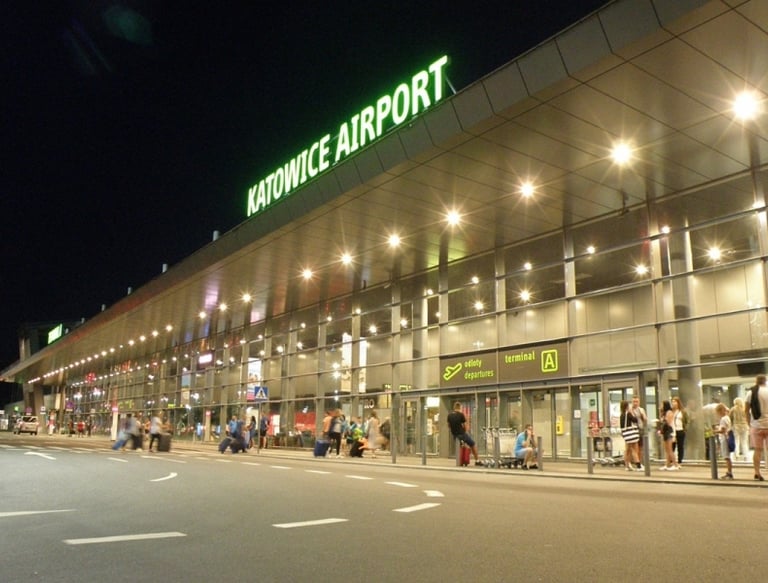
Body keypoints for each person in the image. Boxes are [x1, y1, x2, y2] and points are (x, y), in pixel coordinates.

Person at [745, 374, 768, 481]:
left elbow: (746, 410)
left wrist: (749, 423)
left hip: (756, 425)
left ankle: (757, 472)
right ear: (765, 381)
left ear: (756, 381)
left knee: (757, 450)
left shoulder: (751, 392)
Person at [619, 400, 641, 471]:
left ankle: (627, 465)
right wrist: (632, 413)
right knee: (633, 449)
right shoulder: (628, 413)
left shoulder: (622, 415)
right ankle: (638, 466)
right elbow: (635, 420)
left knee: (627, 450)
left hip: (626, 435)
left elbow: (622, 426)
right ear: (627, 406)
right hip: (631, 434)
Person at [714, 403, 734, 480]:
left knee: (726, 457)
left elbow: (723, 430)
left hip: (724, 439)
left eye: (718, 412)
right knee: (727, 457)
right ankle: (729, 472)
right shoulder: (727, 418)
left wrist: (714, 431)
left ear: (721, 411)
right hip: (727, 438)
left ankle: (729, 473)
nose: (717, 414)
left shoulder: (723, 419)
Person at [658, 400, 677, 470]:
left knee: (670, 449)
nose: (661, 406)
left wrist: (664, 419)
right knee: (667, 450)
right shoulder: (664, 413)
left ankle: (675, 464)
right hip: (665, 432)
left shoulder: (669, 412)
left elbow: (668, 422)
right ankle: (667, 464)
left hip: (669, 432)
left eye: (662, 405)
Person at [730, 397, 749, 462]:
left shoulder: (733, 409)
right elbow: (748, 416)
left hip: (736, 426)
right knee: (744, 442)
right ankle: (746, 455)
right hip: (745, 426)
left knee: (736, 441)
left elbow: (730, 418)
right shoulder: (744, 409)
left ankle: (736, 455)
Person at [671, 397, 688, 466]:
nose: (673, 403)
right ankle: (672, 460)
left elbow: (686, 420)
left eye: (675, 402)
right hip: (673, 431)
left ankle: (680, 460)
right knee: (672, 446)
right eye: (672, 402)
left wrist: (685, 428)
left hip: (680, 430)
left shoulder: (682, 411)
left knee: (680, 446)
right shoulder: (671, 411)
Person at [631, 396, 647, 467]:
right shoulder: (630, 409)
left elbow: (645, 419)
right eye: (634, 401)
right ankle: (636, 462)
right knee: (635, 447)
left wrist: (643, 415)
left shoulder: (641, 410)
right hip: (633, 429)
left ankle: (639, 462)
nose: (635, 403)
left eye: (637, 401)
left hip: (640, 429)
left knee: (640, 447)